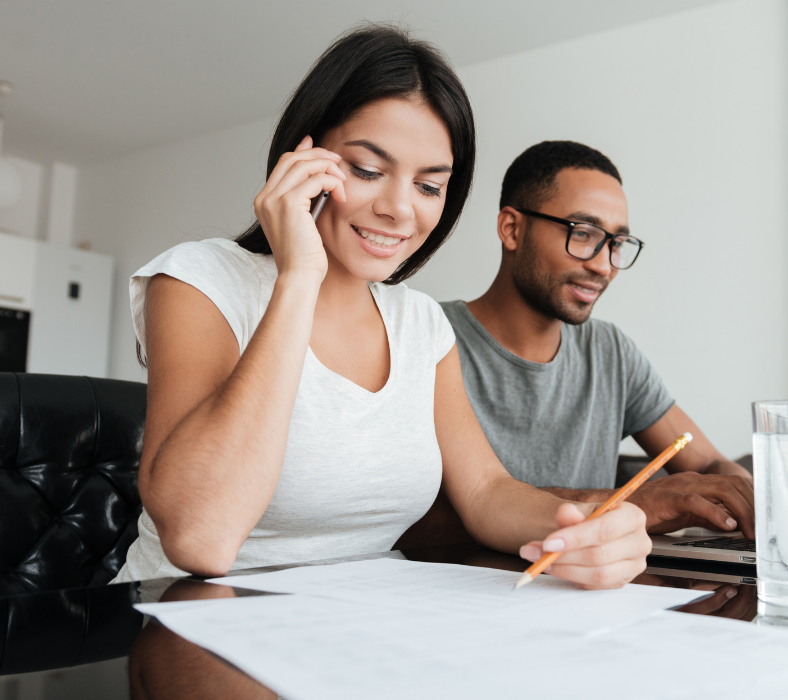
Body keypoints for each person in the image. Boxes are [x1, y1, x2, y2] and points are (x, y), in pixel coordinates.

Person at [111, 29, 650, 589]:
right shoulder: (200, 280)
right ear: (302, 157)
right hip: (183, 631)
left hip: (358, 638)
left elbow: (486, 492)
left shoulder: (420, 324)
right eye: (367, 170)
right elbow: (201, 538)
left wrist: (585, 525)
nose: (399, 210)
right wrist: (299, 277)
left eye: (428, 186)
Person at [404, 141, 755, 548]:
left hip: (588, 593)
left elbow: (708, 462)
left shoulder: (610, 352)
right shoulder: (425, 337)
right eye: (583, 233)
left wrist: (748, 498)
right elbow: (424, 521)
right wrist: (631, 504)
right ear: (511, 228)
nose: (603, 265)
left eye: (617, 244)